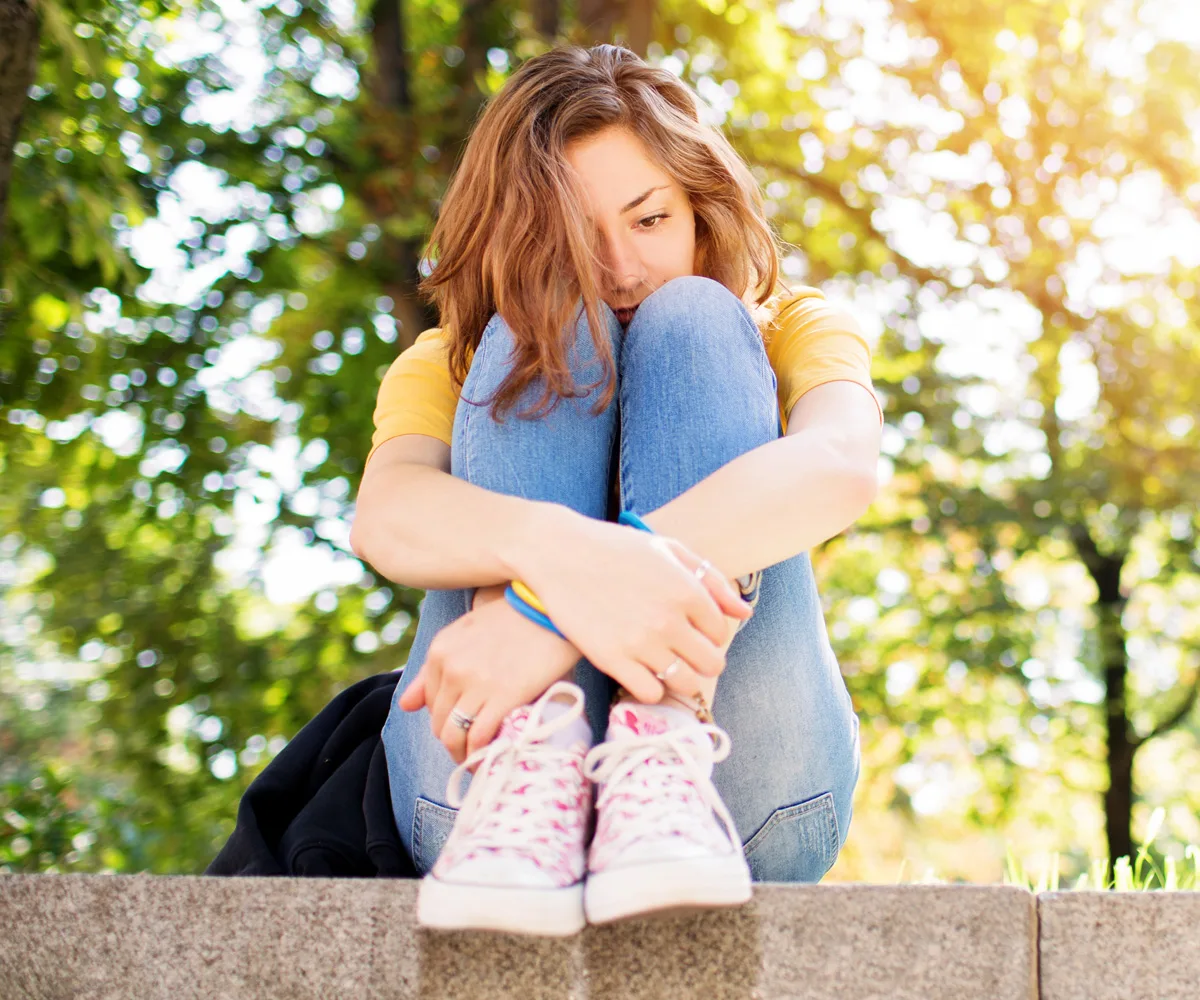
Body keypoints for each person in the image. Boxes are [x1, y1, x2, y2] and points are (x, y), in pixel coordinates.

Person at [349, 42, 883, 936]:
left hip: (752, 788)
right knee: (542, 331)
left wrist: (542, 617)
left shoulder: (792, 324)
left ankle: (667, 741)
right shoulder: (448, 360)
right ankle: (533, 756)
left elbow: (839, 466)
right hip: (478, 801)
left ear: (700, 208)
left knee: (699, 318)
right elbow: (388, 514)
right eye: (570, 235)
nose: (621, 267)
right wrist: (564, 558)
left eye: (647, 220)